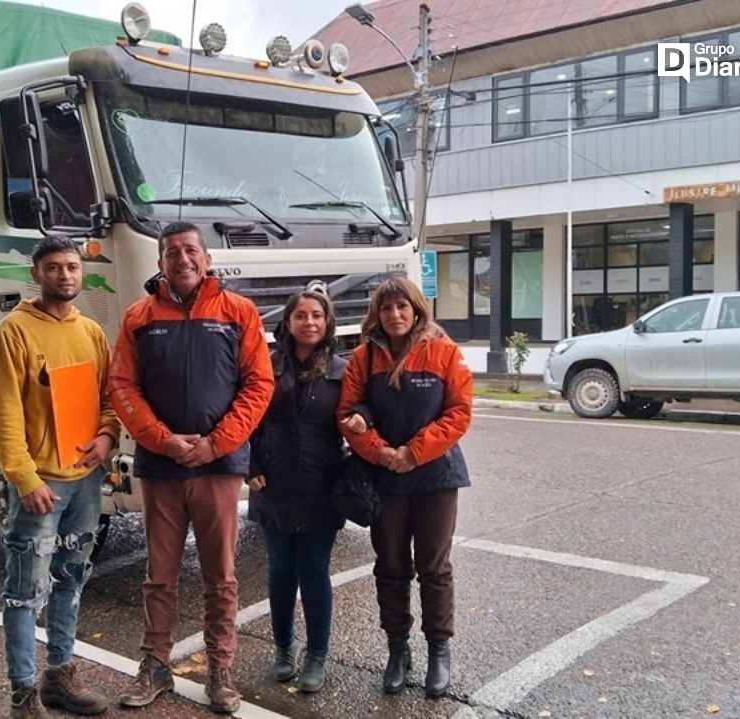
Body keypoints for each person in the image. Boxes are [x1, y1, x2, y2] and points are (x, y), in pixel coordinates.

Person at [109, 221, 274, 715]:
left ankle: (220, 669)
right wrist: (163, 439)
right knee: (158, 575)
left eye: (190, 250)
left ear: (207, 258)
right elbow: (122, 385)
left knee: (220, 575)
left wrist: (216, 444)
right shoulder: (139, 316)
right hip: (160, 467)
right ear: (160, 262)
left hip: (218, 467)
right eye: (172, 252)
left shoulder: (237, 312)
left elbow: (259, 385)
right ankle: (155, 663)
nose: (182, 258)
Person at [0, 235, 118, 719]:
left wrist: (107, 438)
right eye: (55, 268)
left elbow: (109, 398)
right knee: (23, 593)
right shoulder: (13, 333)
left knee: (71, 578)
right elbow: (3, 415)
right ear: (35, 274)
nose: (65, 275)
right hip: (41, 486)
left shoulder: (92, 333)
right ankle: (23, 693)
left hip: (83, 481)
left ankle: (60, 676)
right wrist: (23, 478)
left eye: (73, 267)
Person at [337, 275, 473, 699]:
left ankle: (438, 652)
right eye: (386, 308)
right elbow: (347, 412)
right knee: (391, 566)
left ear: (416, 310)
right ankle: (398, 650)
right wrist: (379, 452)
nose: (394, 315)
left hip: (435, 476)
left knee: (434, 567)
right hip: (385, 479)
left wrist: (412, 453)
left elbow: (459, 413)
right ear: (377, 314)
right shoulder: (363, 357)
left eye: (402, 307)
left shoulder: (444, 351)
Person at [246, 285, 349, 693]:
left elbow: (358, 416)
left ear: (327, 324)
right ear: (287, 323)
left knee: (315, 572)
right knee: (280, 571)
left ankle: (317, 655)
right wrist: (249, 467)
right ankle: (283, 649)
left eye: (317, 316)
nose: (309, 322)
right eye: (301, 315)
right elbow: (247, 421)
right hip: (272, 484)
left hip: (322, 487)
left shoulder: (342, 371)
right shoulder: (265, 367)